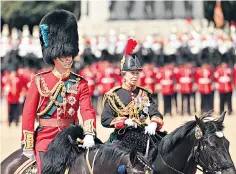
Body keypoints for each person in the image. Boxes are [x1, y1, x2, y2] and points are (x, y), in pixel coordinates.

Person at [21, 10, 96, 173]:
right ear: (55, 56)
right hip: (46, 138)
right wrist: (27, 144)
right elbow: (28, 114)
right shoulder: (40, 80)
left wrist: (90, 133)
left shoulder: (80, 82)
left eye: (71, 54)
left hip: (72, 137)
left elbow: (87, 110)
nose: (69, 58)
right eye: (64, 55)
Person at [101, 38, 163, 144]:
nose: (135, 76)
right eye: (132, 73)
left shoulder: (144, 94)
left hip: (142, 134)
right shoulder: (113, 95)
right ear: (123, 75)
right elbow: (105, 119)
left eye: (137, 73)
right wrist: (124, 121)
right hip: (121, 137)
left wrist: (153, 123)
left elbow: (155, 112)